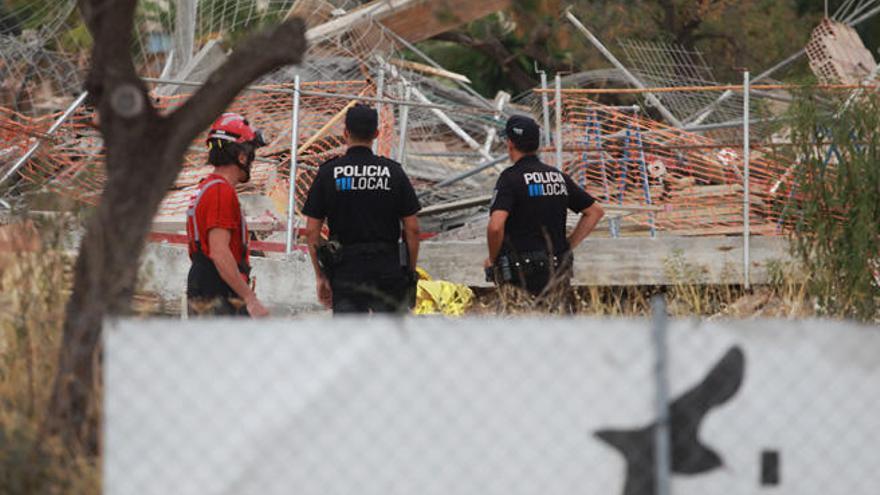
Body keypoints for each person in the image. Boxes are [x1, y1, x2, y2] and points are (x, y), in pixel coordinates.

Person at [302, 104, 421, 314]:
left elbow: (311, 231)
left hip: (346, 269)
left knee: (349, 340)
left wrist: (321, 275)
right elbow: (412, 229)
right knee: (389, 339)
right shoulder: (393, 172)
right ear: (376, 133)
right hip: (387, 268)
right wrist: (409, 271)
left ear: (345, 133)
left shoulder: (329, 173)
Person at [485, 115, 605, 296]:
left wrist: (493, 260)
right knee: (556, 322)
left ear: (510, 143)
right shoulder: (557, 176)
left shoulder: (510, 179)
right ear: (537, 145)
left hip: (521, 277)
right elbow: (595, 212)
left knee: (520, 322)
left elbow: (495, 227)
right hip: (557, 270)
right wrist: (567, 246)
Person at [186, 113, 270, 317]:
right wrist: (250, 299)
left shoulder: (207, 186)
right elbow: (219, 252)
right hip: (217, 290)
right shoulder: (220, 192)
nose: (251, 160)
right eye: (251, 153)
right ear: (241, 156)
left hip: (207, 286)